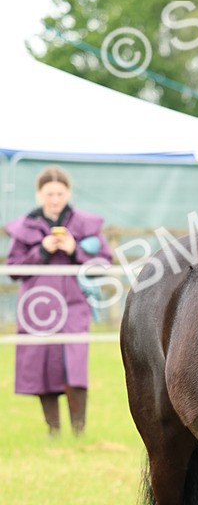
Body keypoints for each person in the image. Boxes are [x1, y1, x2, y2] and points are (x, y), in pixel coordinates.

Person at [5, 165, 112, 435]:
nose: (54, 199)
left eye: (59, 193)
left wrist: (76, 251)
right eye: (49, 193)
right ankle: (53, 430)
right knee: (44, 366)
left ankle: (79, 431)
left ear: (68, 193)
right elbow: (14, 270)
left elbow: (103, 264)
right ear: (39, 195)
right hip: (37, 309)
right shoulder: (25, 227)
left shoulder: (85, 225)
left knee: (74, 366)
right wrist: (41, 251)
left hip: (75, 305)